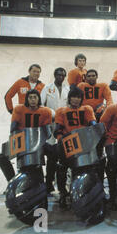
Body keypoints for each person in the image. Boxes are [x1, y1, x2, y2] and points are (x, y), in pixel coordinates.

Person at [0, 89, 52, 183]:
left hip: (39, 142)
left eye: (35, 97)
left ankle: (49, 181)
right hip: (21, 141)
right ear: (27, 99)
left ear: (39, 99)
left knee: (54, 154)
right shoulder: (19, 109)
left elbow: (48, 133)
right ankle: (12, 181)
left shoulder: (45, 111)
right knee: (1, 157)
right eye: (30, 97)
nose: (33, 100)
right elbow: (13, 129)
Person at [54, 87, 97, 208]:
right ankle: (63, 193)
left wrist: (96, 128)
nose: (76, 99)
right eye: (74, 97)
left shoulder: (87, 109)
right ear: (69, 98)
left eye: (78, 97)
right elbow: (58, 130)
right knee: (61, 167)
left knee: (96, 163)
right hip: (69, 144)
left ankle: (94, 189)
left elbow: (92, 124)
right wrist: (61, 142)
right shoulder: (61, 111)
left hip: (85, 144)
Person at [40, 67, 70, 195]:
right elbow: (41, 104)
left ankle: (62, 185)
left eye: (63, 75)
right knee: (52, 157)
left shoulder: (68, 89)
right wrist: (51, 113)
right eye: (59, 74)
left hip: (63, 126)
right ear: (55, 75)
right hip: (50, 125)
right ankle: (49, 183)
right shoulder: (47, 88)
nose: (61, 77)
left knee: (63, 157)